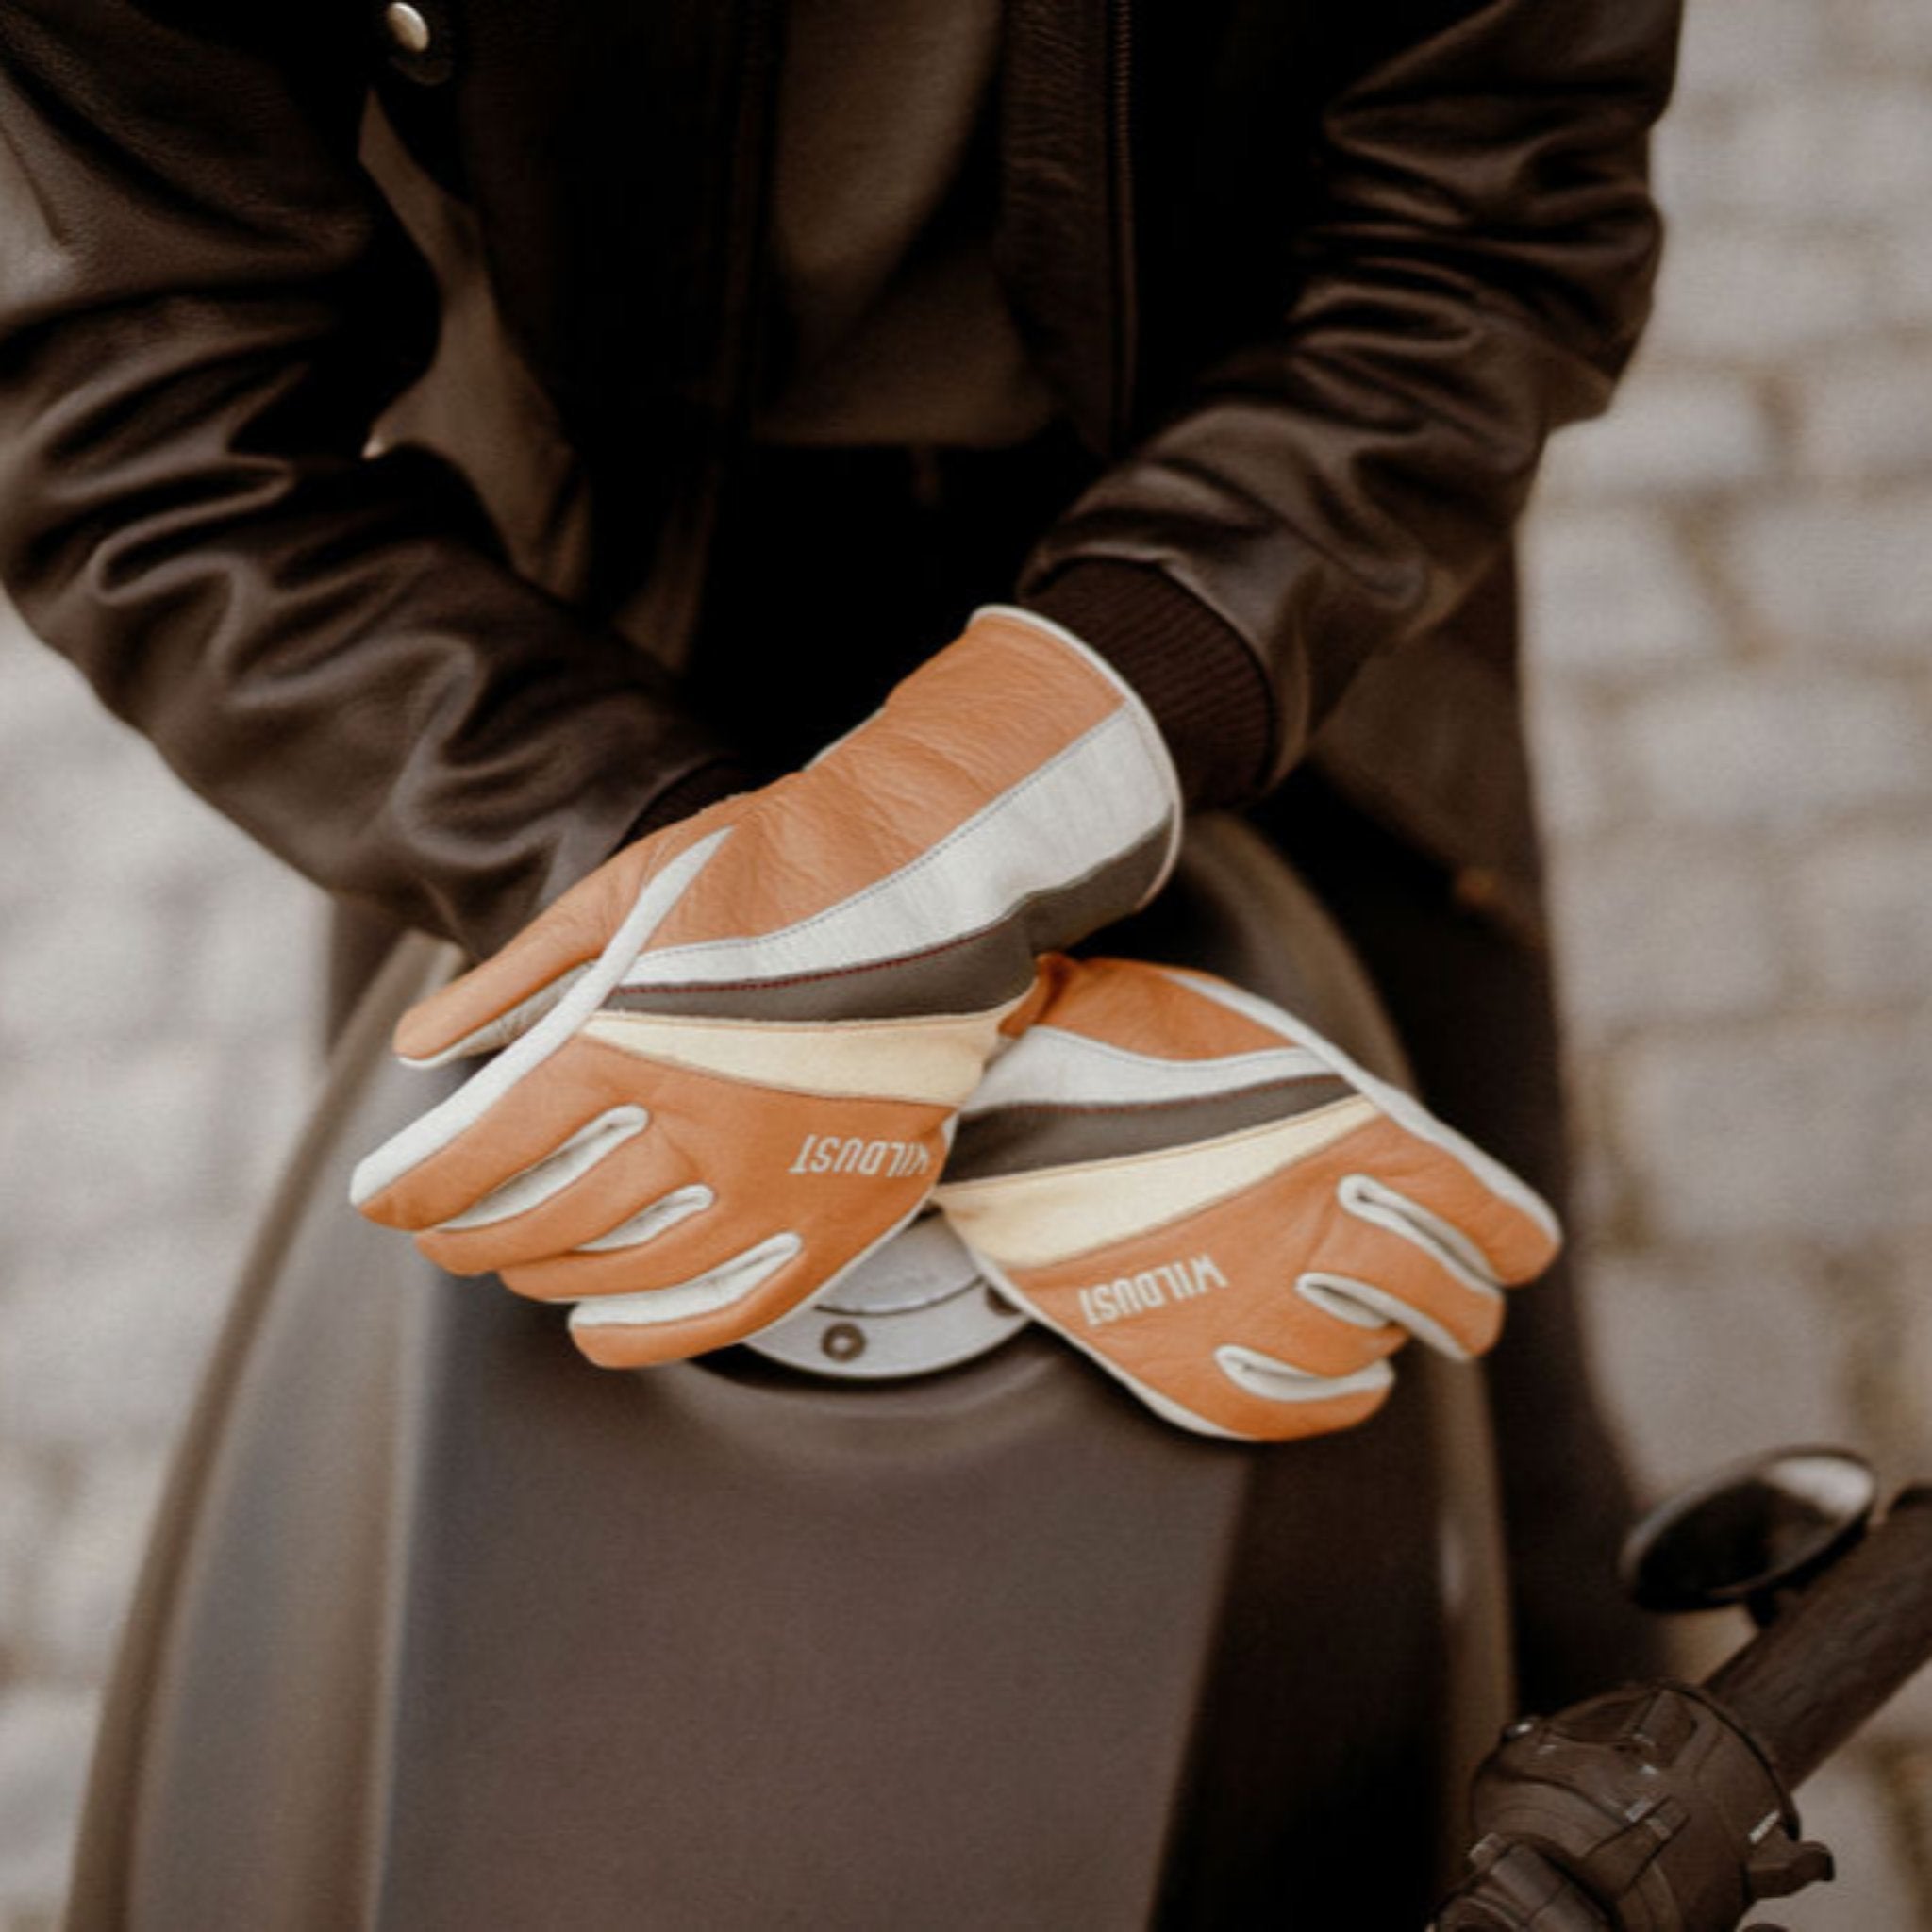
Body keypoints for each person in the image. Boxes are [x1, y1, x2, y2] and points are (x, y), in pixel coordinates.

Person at [0, 0, 1679, 1711]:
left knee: (1500, 1517)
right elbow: (140, 420)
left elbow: (1491, 226)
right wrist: (832, 961)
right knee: (490, 1610)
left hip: (1276, 560)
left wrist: (954, 840)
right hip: (543, 647)